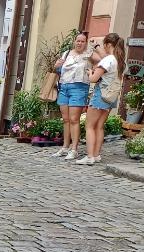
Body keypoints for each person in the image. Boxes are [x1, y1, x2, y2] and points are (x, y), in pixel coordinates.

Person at [77, 33, 126, 165]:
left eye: (104, 45)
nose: (103, 47)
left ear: (108, 45)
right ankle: (96, 154)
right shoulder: (120, 61)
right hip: (111, 97)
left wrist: (90, 73)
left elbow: (93, 79)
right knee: (99, 126)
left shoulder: (107, 60)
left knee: (89, 126)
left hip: (101, 95)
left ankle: (90, 156)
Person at [52, 31, 93, 161]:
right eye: (78, 41)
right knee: (65, 119)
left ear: (86, 43)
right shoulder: (66, 53)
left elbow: (102, 60)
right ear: (74, 41)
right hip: (64, 87)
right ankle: (65, 146)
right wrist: (56, 66)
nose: (79, 43)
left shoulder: (89, 55)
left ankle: (74, 149)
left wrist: (95, 47)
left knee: (74, 119)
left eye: (82, 41)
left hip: (79, 88)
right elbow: (59, 70)